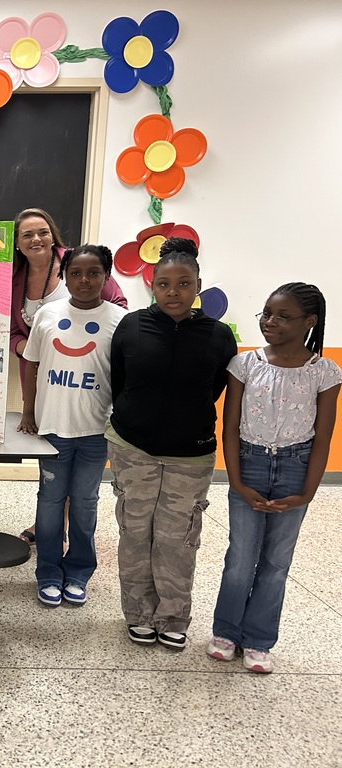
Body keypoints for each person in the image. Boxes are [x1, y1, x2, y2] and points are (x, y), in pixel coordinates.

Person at [108, 237, 237, 650]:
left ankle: (174, 617)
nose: (173, 292)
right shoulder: (132, 326)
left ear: (197, 285)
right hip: (133, 449)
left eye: (183, 284)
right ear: (153, 286)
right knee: (135, 533)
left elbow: (214, 388)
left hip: (191, 455)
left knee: (177, 539)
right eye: (164, 284)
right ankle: (139, 615)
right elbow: (120, 383)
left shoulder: (217, 336)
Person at [207, 283, 340, 673]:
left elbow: (323, 437)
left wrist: (307, 493)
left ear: (309, 322)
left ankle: (259, 639)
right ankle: (227, 631)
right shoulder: (246, 364)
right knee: (240, 557)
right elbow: (229, 427)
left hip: (296, 468)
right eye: (266, 313)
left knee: (276, 561)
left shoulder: (325, 373)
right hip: (248, 462)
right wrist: (236, 482)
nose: (270, 322)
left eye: (283, 316)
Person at [9, 208, 127, 544]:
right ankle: (49, 527)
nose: (36, 239)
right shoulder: (14, 276)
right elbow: (8, 329)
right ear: (17, 243)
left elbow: (118, 306)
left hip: (90, 378)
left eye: (43, 232)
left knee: (84, 471)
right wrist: (25, 348)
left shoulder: (80, 264)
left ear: (53, 234)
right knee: (53, 458)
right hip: (44, 375)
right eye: (27, 234)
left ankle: (66, 531)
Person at [18, 245, 127, 607]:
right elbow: (31, 364)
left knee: (85, 503)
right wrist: (28, 411)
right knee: (49, 502)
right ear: (64, 276)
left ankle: (79, 571)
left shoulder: (120, 320)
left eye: (94, 272)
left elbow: (126, 377)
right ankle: (48, 572)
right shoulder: (48, 314)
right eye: (76, 273)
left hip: (96, 432)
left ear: (106, 277)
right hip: (52, 430)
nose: (84, 280)